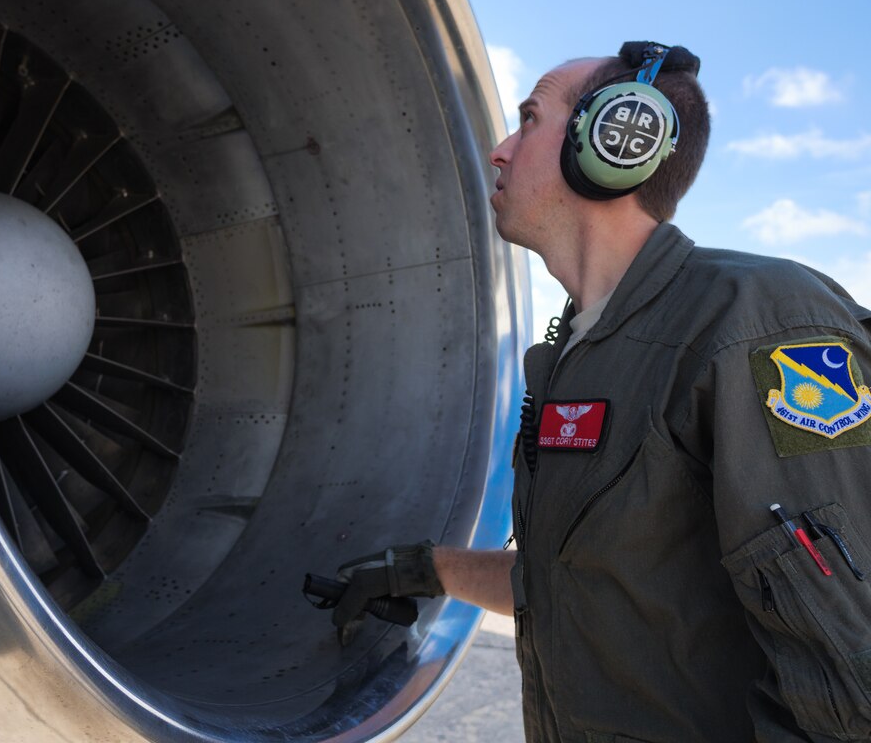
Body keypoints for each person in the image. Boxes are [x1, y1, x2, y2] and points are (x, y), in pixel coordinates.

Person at [331, 43, 871, 741]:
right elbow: (586, 583)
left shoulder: (761, 323)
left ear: (618, 139)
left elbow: (847, 661)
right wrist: (423, 570)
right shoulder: (576, 355)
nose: (498, 151)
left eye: (527, 120)